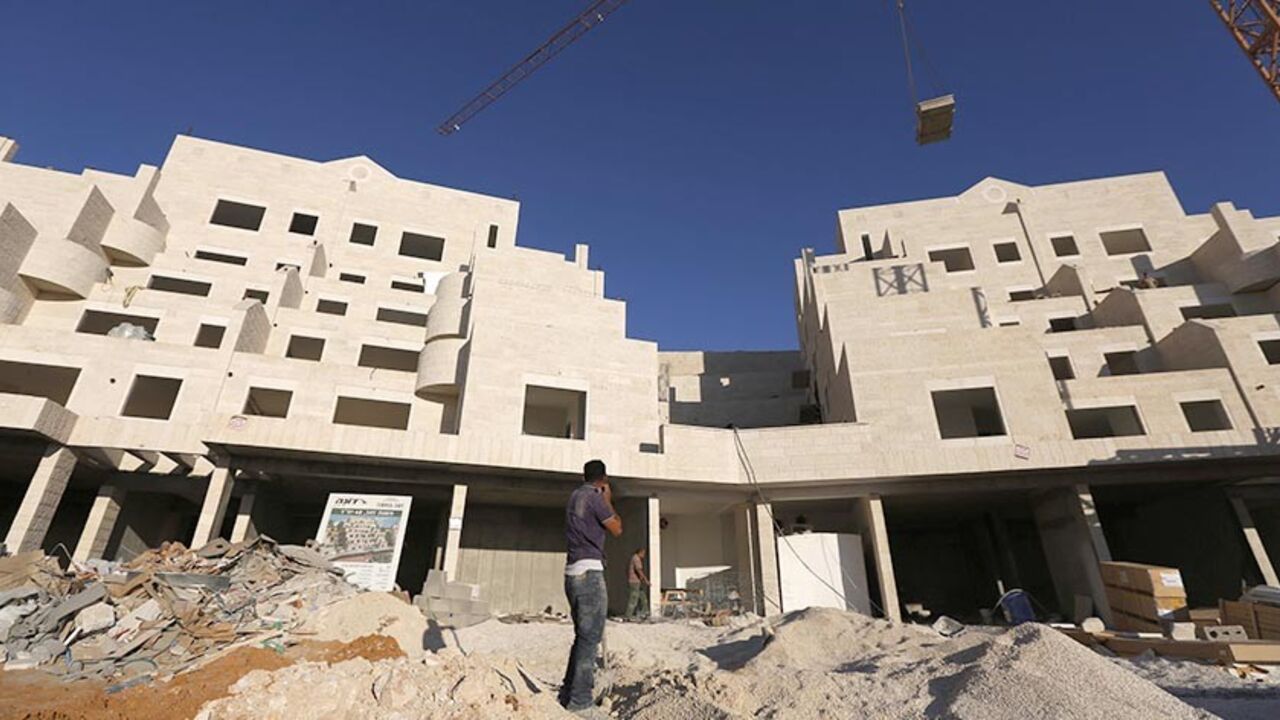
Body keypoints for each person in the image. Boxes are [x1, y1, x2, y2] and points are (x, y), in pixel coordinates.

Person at [559, 459, 622, 715]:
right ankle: (580, 701)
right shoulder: (595, 498)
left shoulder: (575, 496)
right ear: (603, 479)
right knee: (590, 638)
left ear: (583, 476)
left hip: (572, 572)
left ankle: (568, 692)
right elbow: (617, 528)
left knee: (582, 637)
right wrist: (608, 499)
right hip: (589, 573)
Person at [625, 547, 650, 619]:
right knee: (634, 599)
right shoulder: (636, 558)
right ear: (640, 552)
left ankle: (645, 612)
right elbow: (639, 570)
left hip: (637, 581)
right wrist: (646, 580)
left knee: (643, 597)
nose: (644, 555)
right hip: (634, 582)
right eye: (643, 553)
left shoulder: (635, 558)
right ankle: (628, 615)